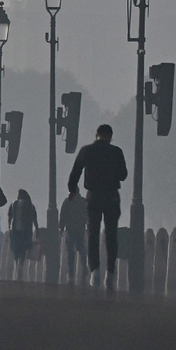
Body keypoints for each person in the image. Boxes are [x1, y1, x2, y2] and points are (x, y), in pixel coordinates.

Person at [66, 123, 128, 289]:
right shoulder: (116, 151)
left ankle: (95, 271)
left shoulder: (86, 150)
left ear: (96, 135)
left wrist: (72, 189)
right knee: (111, 234)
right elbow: (123, 175)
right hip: (112, 196)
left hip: (93, 196)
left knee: (93, 232)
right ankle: (110, 272)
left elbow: (75, 171)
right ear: (110, 136)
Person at [58, 187, 88, 284]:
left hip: (70, 229)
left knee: (70, 251)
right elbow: (88, 214)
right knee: (81, 247)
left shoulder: (67, 201)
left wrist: (61, 227)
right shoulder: (83, 201)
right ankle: (84, 264)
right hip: (80, 228)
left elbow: (63, 215)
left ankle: (71, 272)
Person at [8, 189, 37, 280]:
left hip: (15, 230)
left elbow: (10, 216)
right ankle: (21, 262)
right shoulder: (30, 205)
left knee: (16, 247)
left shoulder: (13, 204)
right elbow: (34, 218)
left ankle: (17, 263)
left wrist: (9, 227)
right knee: (24, 248)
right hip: (26, 230)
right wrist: (37, 229)